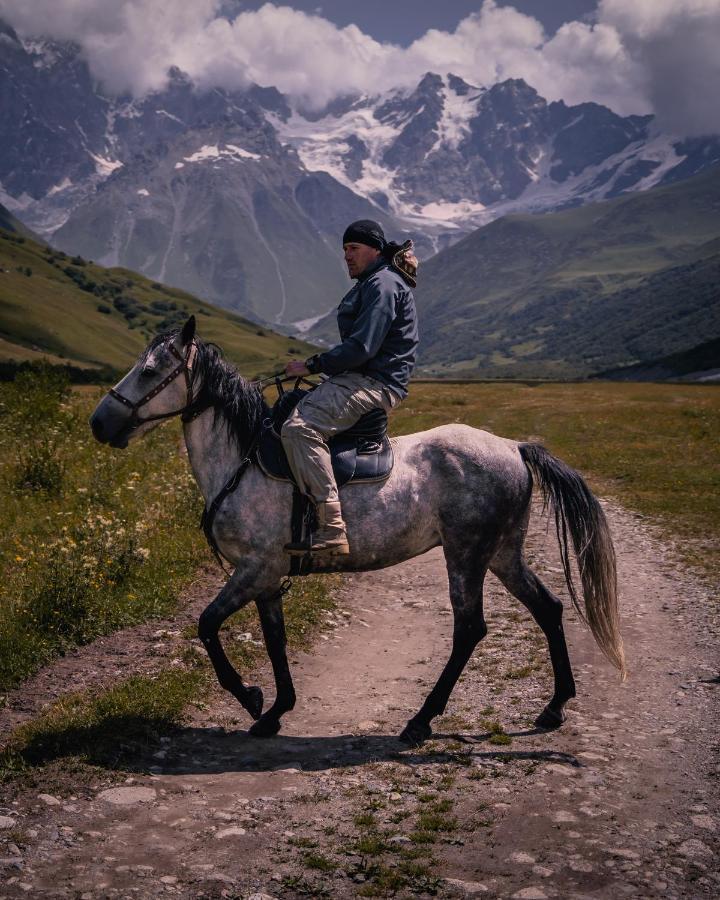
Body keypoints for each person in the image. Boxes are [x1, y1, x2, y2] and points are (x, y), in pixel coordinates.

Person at [281, 219, 419, 557]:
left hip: (373, 383)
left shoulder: (383, 284)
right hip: (360, 378)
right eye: (344, 249)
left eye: (353, 248)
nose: (347, 255)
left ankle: (331, 528)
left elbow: (362, 348)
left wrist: (313, 365)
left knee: (298, 429)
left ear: (374, 249)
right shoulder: (373, 282)